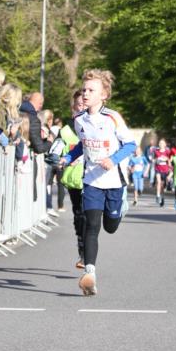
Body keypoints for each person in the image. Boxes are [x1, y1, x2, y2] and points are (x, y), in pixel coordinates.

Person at [59, 69, 135, 296]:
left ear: (104, 95)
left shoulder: (112, 117)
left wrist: (113, 160)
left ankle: (119, 208)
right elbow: (83, 145)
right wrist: (68, 158)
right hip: (91, 180)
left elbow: (130, 145)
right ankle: (90, 273)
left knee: (110, 227)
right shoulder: (79, 120)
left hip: (113, 180)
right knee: (91, 226)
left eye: (91, 90)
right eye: (84, 90)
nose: (85, 94)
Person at [58, 90, 87, 267]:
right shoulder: (65, 131)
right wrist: (64, 159)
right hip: (73, 180)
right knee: (78, 216)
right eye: (79, 105)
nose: (82, 108)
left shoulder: (96, 128)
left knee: (88, 216)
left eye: (84, 105)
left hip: (92, 180)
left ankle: (87, 255)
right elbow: (54, 153)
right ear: (73, 109)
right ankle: (82, 248)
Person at [152, 138, 173, 207]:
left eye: (162, 143)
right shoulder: (156, 151)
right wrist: (156, 160)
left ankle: (162, 197)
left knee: (163, 186)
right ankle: (158, 196)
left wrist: (167, 160)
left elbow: (170, 160)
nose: (161, 144)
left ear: (165, 144)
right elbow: (153, 159)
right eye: (160, 143)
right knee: (158, 182)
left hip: (165, 170)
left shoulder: (167, 151)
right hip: (158, 169)